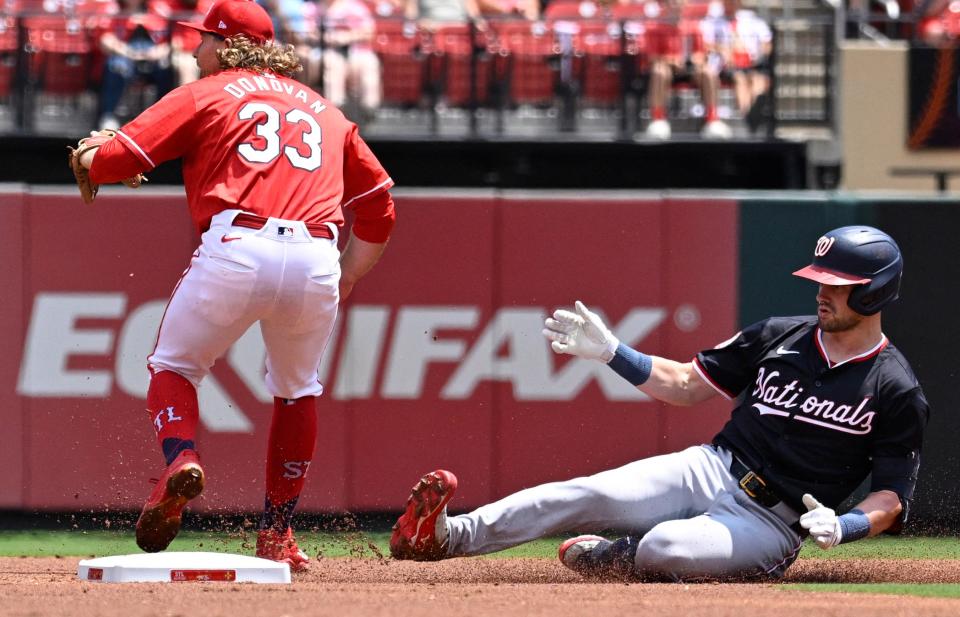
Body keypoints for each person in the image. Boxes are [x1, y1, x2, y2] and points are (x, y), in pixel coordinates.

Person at [389, 226, 928, 582]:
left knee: (665, 548)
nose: (821, 291)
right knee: (583, 492)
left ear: (875, 291)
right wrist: (613, 353)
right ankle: (443, 537)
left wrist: (848, 525)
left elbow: (890, 496)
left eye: (837, 284)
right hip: (711, 467)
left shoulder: (893, 386)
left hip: (775, 520)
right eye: (819, 278)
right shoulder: (779, 336)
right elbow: (686, 385)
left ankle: (612, 558)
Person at [74, 0, 396, 571]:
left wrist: (97, 153)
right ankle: (276, 533)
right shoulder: (327, 111)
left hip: (238, 246)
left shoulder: (209, 92)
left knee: (172, 366)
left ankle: (180, 461)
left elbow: (117, 159)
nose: (194, 48)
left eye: (202, 39)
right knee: (298, 391)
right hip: (317, 254)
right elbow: (379, 208)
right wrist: (344, 276)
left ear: (227, 45)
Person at [96, 0, 175, 129]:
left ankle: (162, 116)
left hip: (152, 57)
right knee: (116, 66)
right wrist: (128, 52)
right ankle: (109, 115)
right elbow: (105, 40)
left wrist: (158, 52)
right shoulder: (112, 9)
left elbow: (169, 42)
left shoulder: (159, 9)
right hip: (124, 55)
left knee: (165, 68)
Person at [320, 0, 383, 123]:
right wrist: (328, 38)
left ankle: (369, 110)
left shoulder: (354, 6)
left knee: (369, 63)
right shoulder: (314, 7)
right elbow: (307, 32)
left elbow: (369, 32)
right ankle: (334, 111)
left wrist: (346, 37)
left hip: (357, 52)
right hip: (330, 53)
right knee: (332, 64)